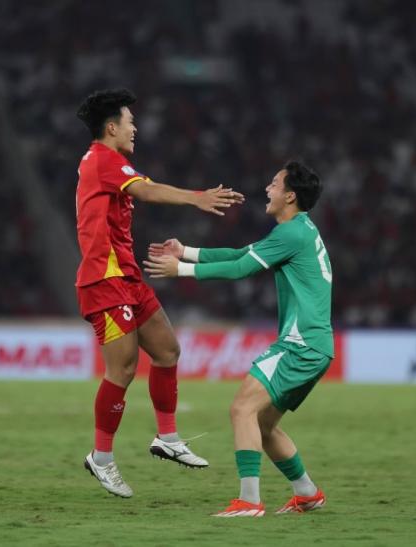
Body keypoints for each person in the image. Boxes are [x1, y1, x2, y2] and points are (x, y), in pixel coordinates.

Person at [75, 88, 244, 498]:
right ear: (111, 127)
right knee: (124, 369)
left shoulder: (111, 163)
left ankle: (166, 438)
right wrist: (196, 198)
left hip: (127, 276)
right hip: (104, 279)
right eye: (130, 122)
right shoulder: (103, 160)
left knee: (167, 350)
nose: (136, 129)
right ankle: (102, 457)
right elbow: (147, 191)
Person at [144, 160, 332, 516]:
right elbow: (242, 254)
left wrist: (181, 270)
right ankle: (306, 492)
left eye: (274, 183)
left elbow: (240, 269)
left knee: (241, 409)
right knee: (262, 423)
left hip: (300, 343)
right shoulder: (299, 230)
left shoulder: (291, 233)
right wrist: (186, 251)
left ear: (290, 195)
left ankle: (249, 501)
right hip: (315, 345)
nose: (268, 188)